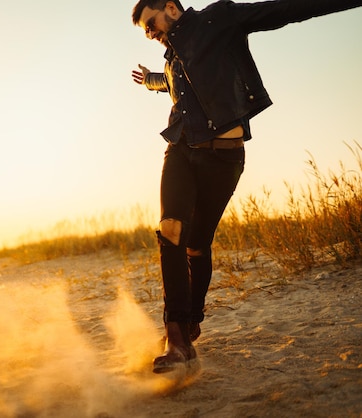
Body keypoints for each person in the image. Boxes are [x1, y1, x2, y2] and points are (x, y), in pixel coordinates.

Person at [130, 0, 362, 374]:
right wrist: (152, 81)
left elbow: (283, 10)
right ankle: (176, 339)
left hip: (224, 158)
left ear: (171, 8)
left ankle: (190, 322)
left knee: (196, 244)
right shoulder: (172, 57)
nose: (151, 33)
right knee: (171, 230)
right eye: (145, 31)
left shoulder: (218, 19)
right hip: (181, 149)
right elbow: (173, 80)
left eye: (151, 23)